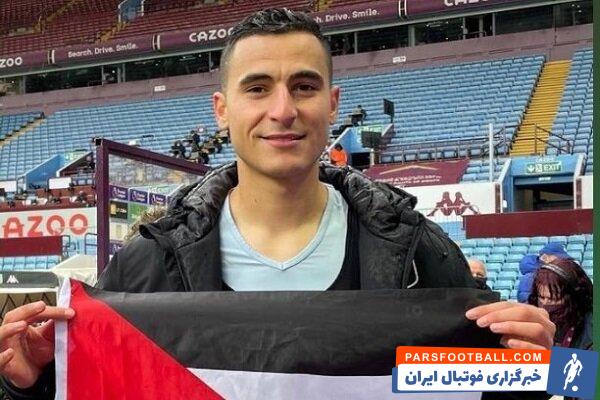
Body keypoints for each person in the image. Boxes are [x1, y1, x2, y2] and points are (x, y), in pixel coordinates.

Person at [0, 8, 554, 399]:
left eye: (304, 86)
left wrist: (531, 373)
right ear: (222, 109)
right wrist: (31, 383)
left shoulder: (417, 252)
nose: (283, 110)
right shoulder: (148, 265)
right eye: (258, 87)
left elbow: (456, 386)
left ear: (332, 104)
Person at [527, 258, 592, 350]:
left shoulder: (591, 329)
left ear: (574, 298)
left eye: (553, 298)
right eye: (541, 297)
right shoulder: (531, 318)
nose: (545, 304)